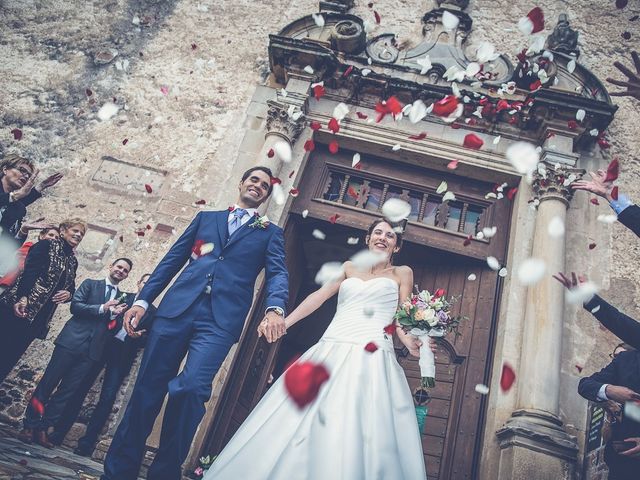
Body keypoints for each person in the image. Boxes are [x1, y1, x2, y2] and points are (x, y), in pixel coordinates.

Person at [102, 166, 289, 480]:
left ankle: (164, 474)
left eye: (264, 185)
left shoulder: (270, 232)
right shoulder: (206, 219)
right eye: (253, 180)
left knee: (191, 389)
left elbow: (278, 273)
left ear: (266, 197)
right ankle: (119, 472)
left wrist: (276, 308)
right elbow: (171, 261)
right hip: (174, 313)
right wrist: (142, 301)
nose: (257, 186)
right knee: (146, 390)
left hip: (219, 322)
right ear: (242, 183)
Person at [204, 218, 427, 480]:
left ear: (397, 246)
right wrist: (285, 322)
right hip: (332, 345)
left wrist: (408, 339)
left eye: (390, 236)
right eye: (377, 232)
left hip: (374, 351)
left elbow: (401, 315)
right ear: (367, 239)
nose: (383, 238)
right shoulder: (348, 268)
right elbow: (317, 298)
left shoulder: (402, 273)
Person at [18, 258, 134, 448]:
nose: (121, 271)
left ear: (127, 275)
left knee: (67, 392)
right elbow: (76, 306)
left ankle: (43, 429)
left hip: (92, 352)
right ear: (111, 266)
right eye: (119, 267)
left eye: (125, 270)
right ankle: (29, 426)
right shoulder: (90, 284)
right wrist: (103, 308)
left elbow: (111, 328)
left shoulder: (122, 297)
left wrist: (114, 317)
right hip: (71, 343)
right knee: (48, 384)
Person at [70, 273, 156, 456]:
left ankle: (86, 443)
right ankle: (59, 432)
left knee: (107, 397)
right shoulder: (123, 297)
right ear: (139, 283)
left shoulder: (154, 312)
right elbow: (105, 316)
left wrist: (139, 337)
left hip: (123, 356)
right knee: (81, 387)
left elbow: (150, 337)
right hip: (102, 347)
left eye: (151, 283)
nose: (146, 285)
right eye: (144, 281)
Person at [0, 218, 85, 383]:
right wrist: (22, 297)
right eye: (75, 230)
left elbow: (71, 287)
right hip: (17, 307)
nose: (78, 235)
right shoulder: (46, 245)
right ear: (63, 230)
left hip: (37, 319)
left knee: (9, 358)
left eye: (81, 233)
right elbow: (29, 272)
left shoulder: (72, 261)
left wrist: (68, 295)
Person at [578, 343, 640, 479]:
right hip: (620, 463)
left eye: (620, 355)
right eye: (614, 356)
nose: (616, 360)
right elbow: (585, 385)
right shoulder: (609, 395)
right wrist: (609, 391)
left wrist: (621, 410)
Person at [0, 154, 63, 249]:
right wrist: (17, 195)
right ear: (5, 170)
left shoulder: (16, 208)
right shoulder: (11, 199)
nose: (25, 176)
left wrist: (23, 231)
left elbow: (9, 248)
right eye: (22, 170)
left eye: (29, 175)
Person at [0, 224, 60, 292]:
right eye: (50, 235)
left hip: (29, 293)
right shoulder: (29, 246)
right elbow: (24, 266)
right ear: (42, 236)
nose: (53, 238)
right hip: (8, 286)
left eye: (57, 238)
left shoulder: (54, 259)